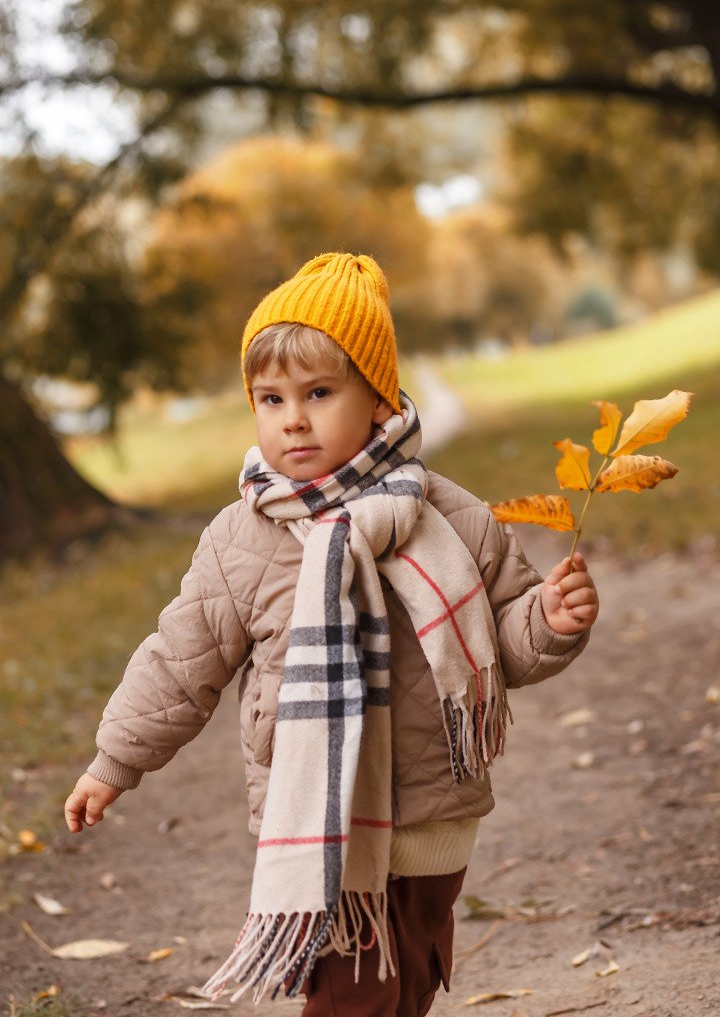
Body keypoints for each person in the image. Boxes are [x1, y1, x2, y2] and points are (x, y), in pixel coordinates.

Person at [65, 252, 599, 1016]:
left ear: (381, 402)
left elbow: (502, 649)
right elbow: (180, 662)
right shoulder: (240, 540)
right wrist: (114, 760)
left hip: (433, 810)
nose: (293, 418)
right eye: (270, 397)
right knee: (352, 995)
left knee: (410, 980)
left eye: (319, 393)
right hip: (321, 816)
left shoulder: (452, 517)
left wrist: (548, 619)